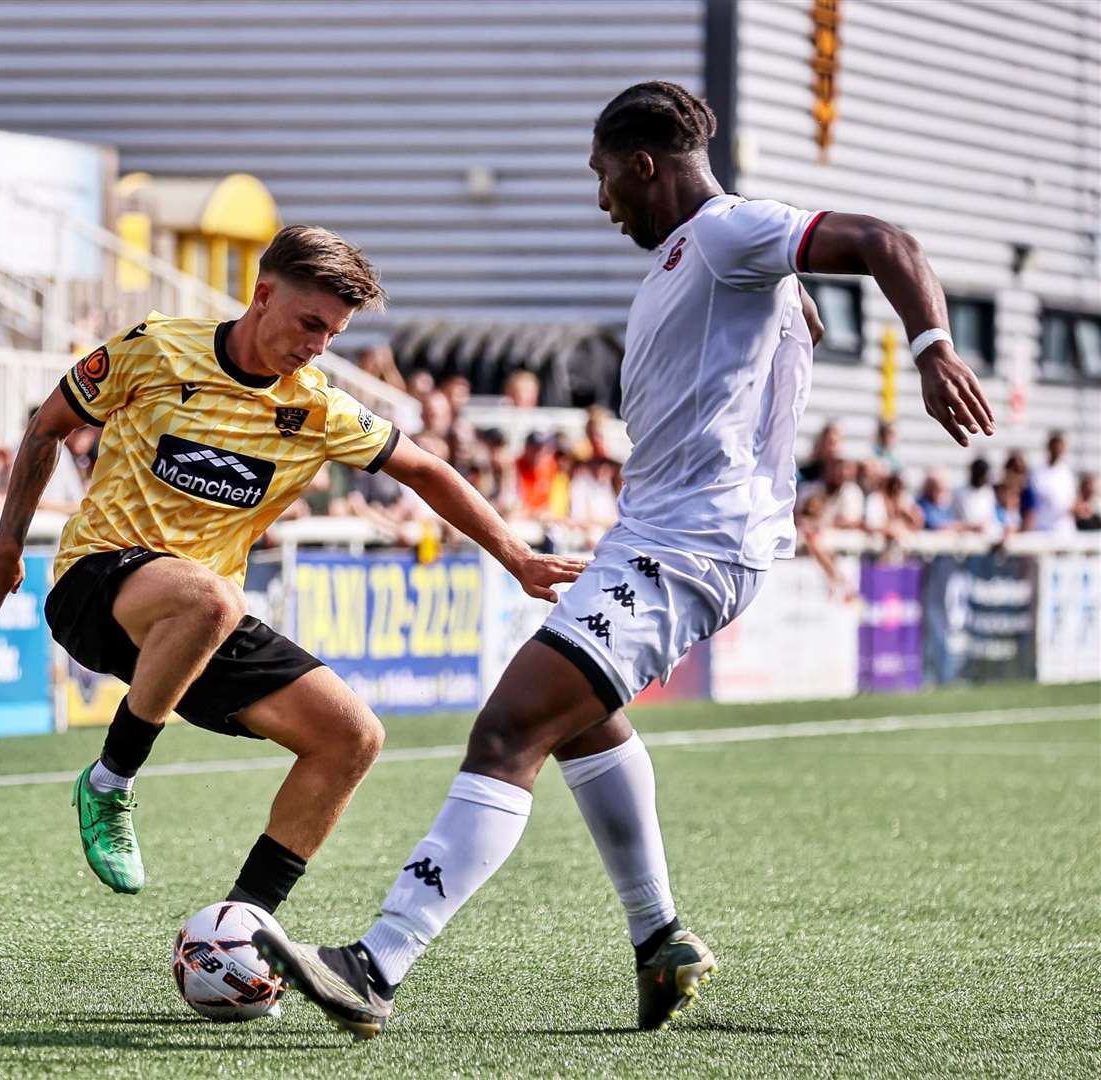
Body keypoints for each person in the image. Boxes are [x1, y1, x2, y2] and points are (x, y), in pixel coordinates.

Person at [255, 79, 995, 1039]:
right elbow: (773, 322)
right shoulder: (704, 260)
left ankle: (378, 962)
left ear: (645, 165)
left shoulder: (728, 233)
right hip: (665, 537)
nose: (603, 201)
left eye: (606, 179)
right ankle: (660, 941)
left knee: (507, 730)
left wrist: (932, 345)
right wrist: (792, 315)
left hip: (693, 542)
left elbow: (885, 242)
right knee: (577, 722)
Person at [0, 225, 582, 915]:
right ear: (263, 295)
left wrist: (516, 555)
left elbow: (426, 470)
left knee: (351, 737)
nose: (318, 346)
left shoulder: (316, 407)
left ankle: (240, 926)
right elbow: (48, 425)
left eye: (333, 333)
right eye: (310, 323)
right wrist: (8, 541)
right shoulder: (156, 347)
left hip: (198, 624)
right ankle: (111, 781)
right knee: (209, 599)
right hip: (97, 584)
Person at [1028, 431, 1076, 533]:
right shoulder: (1038, 471)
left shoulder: (1066, 472)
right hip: (1042, 528)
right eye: (1055, 445)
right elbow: (1042, 498)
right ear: (1049, 446)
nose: (1058, 449)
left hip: (1064, 530)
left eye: (1060, 446)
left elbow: (1070, 500)